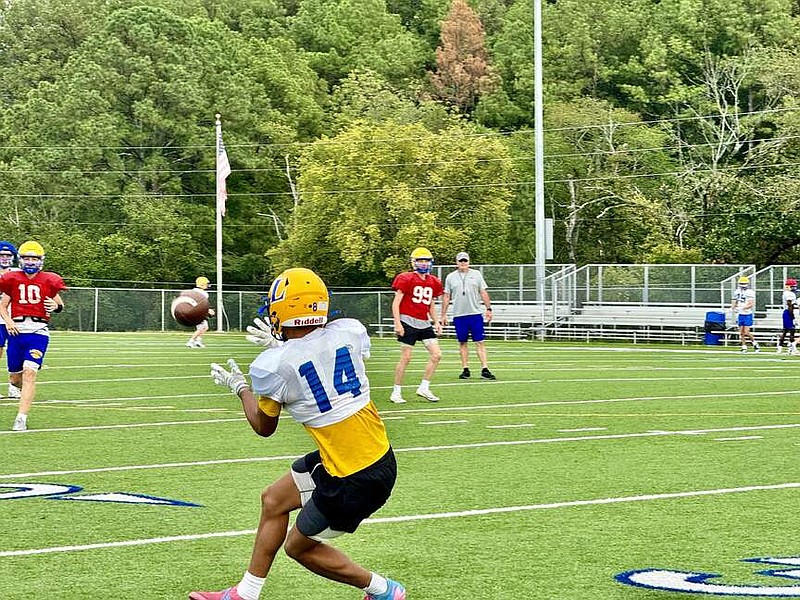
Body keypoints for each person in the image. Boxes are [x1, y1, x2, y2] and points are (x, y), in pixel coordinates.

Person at [191, 267, 404, 600]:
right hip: (365, 456)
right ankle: (245, 594)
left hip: (353, 479)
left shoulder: (274, 365)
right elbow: (326, 351)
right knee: (273, 499)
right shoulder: (350, 331)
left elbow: (264, 427)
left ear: (279, 311)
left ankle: (384, 590)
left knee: (298, 547)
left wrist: (240, 387)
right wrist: (291, 343)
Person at [0, 241, 66, 431]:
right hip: (16, 331)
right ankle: (22, 390)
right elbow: (3, 305)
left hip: (38, 332)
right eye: (27, 258)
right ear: (20, 260)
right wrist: (9, 321)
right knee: (15, 378)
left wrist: (56, 306)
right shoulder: (12, 278)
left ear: (41, 261)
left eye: (34, 258)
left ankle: (21, 417)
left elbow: (59, 303)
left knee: (30, 372)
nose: (30, 262)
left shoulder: (48, 280)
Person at [389, 247, 443, 404]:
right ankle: (396, 391)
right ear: (414, 262)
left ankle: (424, 387)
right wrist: (398, 323)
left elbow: (431, 303)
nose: (424, 263)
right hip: (408, 320)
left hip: (424, 322)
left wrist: (436, 321)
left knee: (437, 355)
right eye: (420, 260)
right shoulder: (406, 278)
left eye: (426, 260)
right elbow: (396, 302)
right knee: (406, 358)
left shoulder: (434, 281)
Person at [440, 252, 496, 380]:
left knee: (480, 342)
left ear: (469, 261)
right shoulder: (450, 277)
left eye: (465, 260)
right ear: (456, 262)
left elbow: (483, 291)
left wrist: (489, 308)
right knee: (462, 342)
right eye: (461, 261)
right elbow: (447, 296)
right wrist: (443, 315)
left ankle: (485, 368)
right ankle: (465, 369)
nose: (463, 263)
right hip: (459, 315)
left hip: (475, 313)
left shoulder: (476, 274)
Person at [0, 241, 21, 399]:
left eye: (8, 255)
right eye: (2, 255)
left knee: (16, 354)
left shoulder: (18, 273)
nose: (5, 258)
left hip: (16, 318)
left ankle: (14, 386)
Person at [731, 275, 760, 353]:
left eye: (744, 283)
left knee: (746, 332)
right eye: (741, 283)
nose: (742, 285)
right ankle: (744, 346)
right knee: (741, 332)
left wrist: (742, 308)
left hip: (747, 314)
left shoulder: (750, 292)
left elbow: (751, 304)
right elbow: (735, 301)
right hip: (740, 314)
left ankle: (755, 343)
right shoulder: (737, 291)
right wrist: (733, 308)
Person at [186, 276, 215, 348]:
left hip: (192, 310)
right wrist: (208, 310)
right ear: (202, 284)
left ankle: (197, 341)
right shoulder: (203, 293)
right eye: (206, 283)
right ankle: (190, 341)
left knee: (205, 327)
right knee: (201, 328)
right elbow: (200, 304)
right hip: (196, 312)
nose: (207, 285)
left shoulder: (193, 291)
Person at [777, 278, 798, 355]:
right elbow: (790, 305)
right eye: (792, 286)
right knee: (791, 330)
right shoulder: (789, 294)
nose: (794, 288)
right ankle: (792, 347)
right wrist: (792, 316)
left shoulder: (787, 293)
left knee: (785, 331)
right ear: (788, 286)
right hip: (788, 313)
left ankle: (780, 347)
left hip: (787, 312)